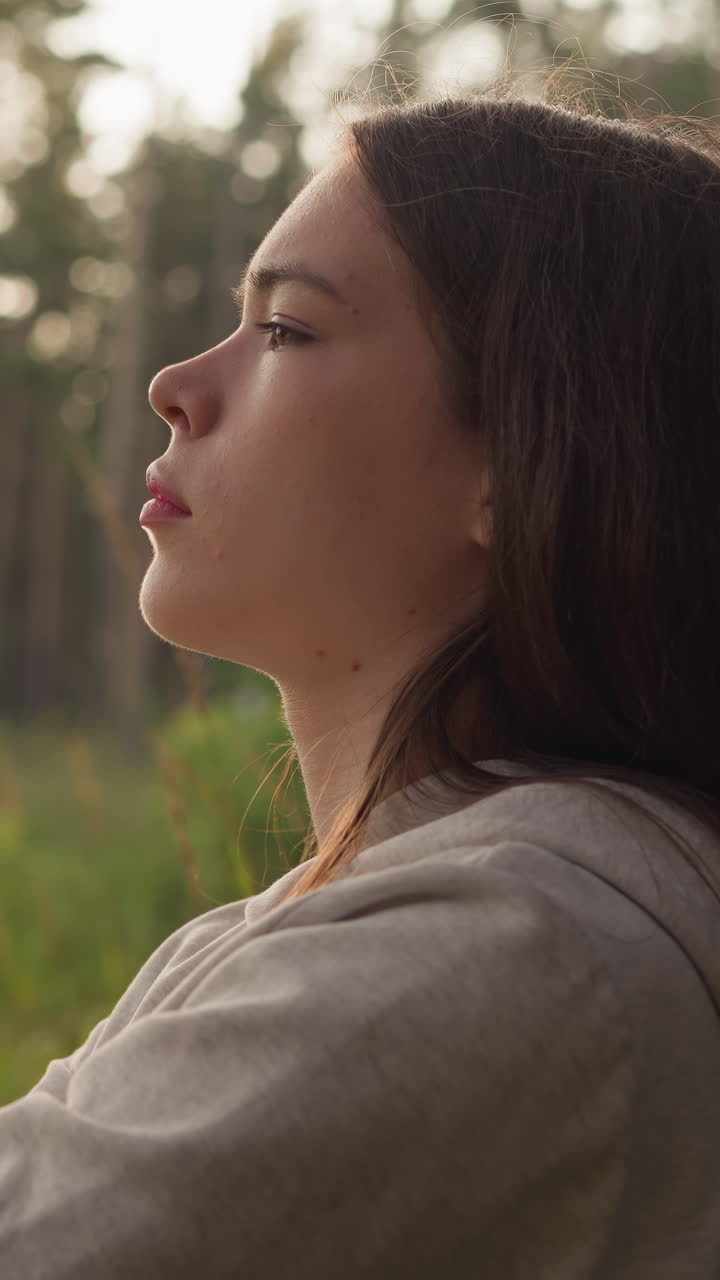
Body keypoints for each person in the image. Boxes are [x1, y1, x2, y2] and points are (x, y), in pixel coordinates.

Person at [2, 85, 720, 1277]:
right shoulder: (403, 904)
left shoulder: (517, 938)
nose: (176, 383)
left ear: (521, 454)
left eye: (286, 329)